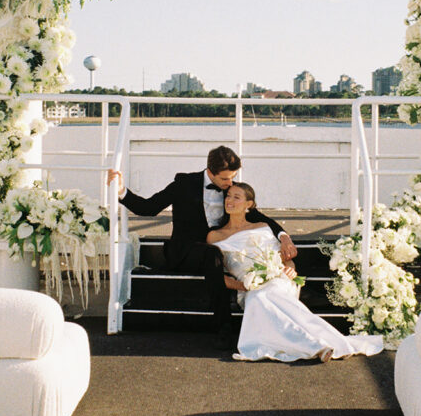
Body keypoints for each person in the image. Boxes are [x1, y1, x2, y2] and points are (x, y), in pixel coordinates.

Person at [107, 146, 297, 348]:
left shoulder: (230, 190)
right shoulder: (184, 184)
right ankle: (224, 327)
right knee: (212, 254)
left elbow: (258, 216)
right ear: (210, 171)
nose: (229, 183)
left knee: (226, 253)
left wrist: (284, 237)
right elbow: (149, 207)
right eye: (224, 179)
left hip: (219, 251)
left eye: (232, 177)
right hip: (186, 252)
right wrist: (120, 190)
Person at [208, 182, 385, 362]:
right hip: (248, 287)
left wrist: (290, 269)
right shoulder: (215, 236)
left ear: (249, 204)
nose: (229, 200)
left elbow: (285, 257)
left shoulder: (262, 226)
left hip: (278, 278)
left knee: (263, 297)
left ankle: (315, 346)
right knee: (258, 298)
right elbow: (213, 272)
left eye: (236, 197)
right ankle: (318, 344)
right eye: (228, 196)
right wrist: (242, 285)